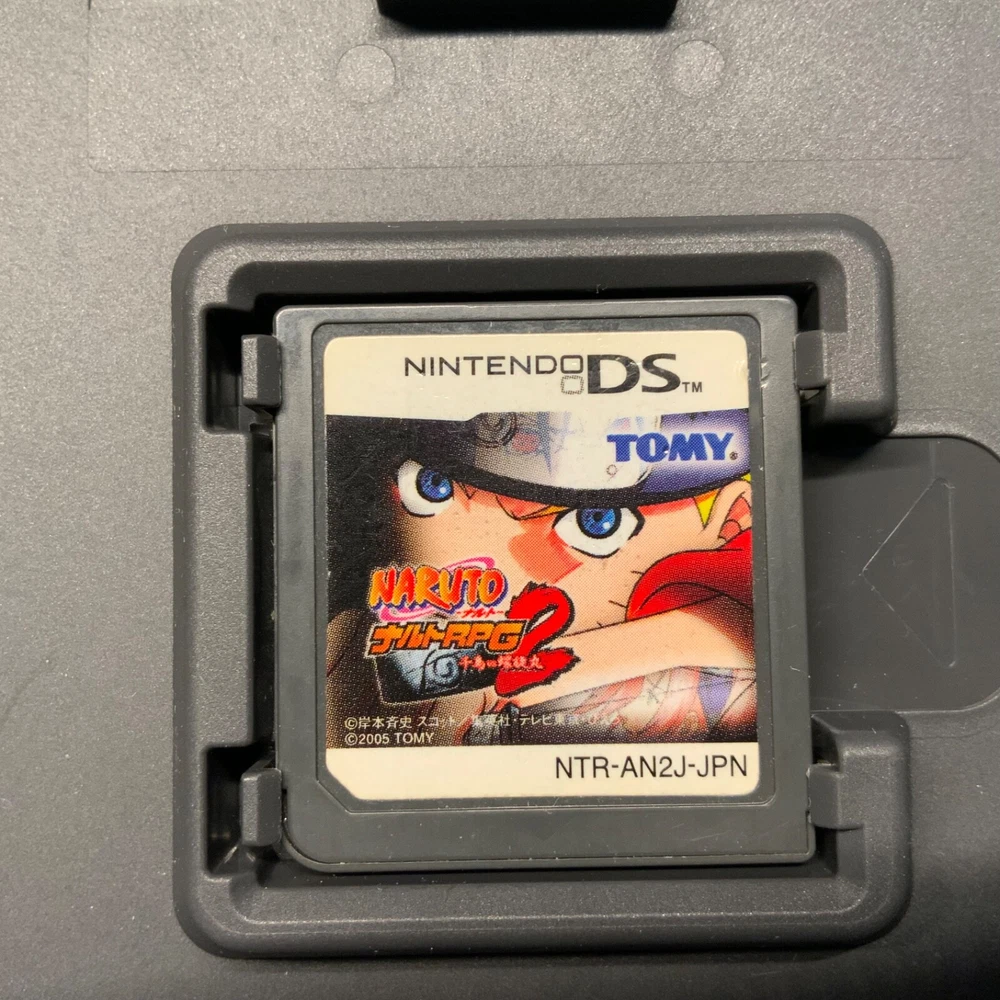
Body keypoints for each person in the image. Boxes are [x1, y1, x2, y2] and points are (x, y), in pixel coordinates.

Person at [326, 408, 756, 748]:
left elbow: (740, 624)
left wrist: (503, 677)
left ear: (734, 518)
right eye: (434, 486)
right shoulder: (355, 637)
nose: (488, 561)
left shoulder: (722, 586)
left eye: (596, 521)